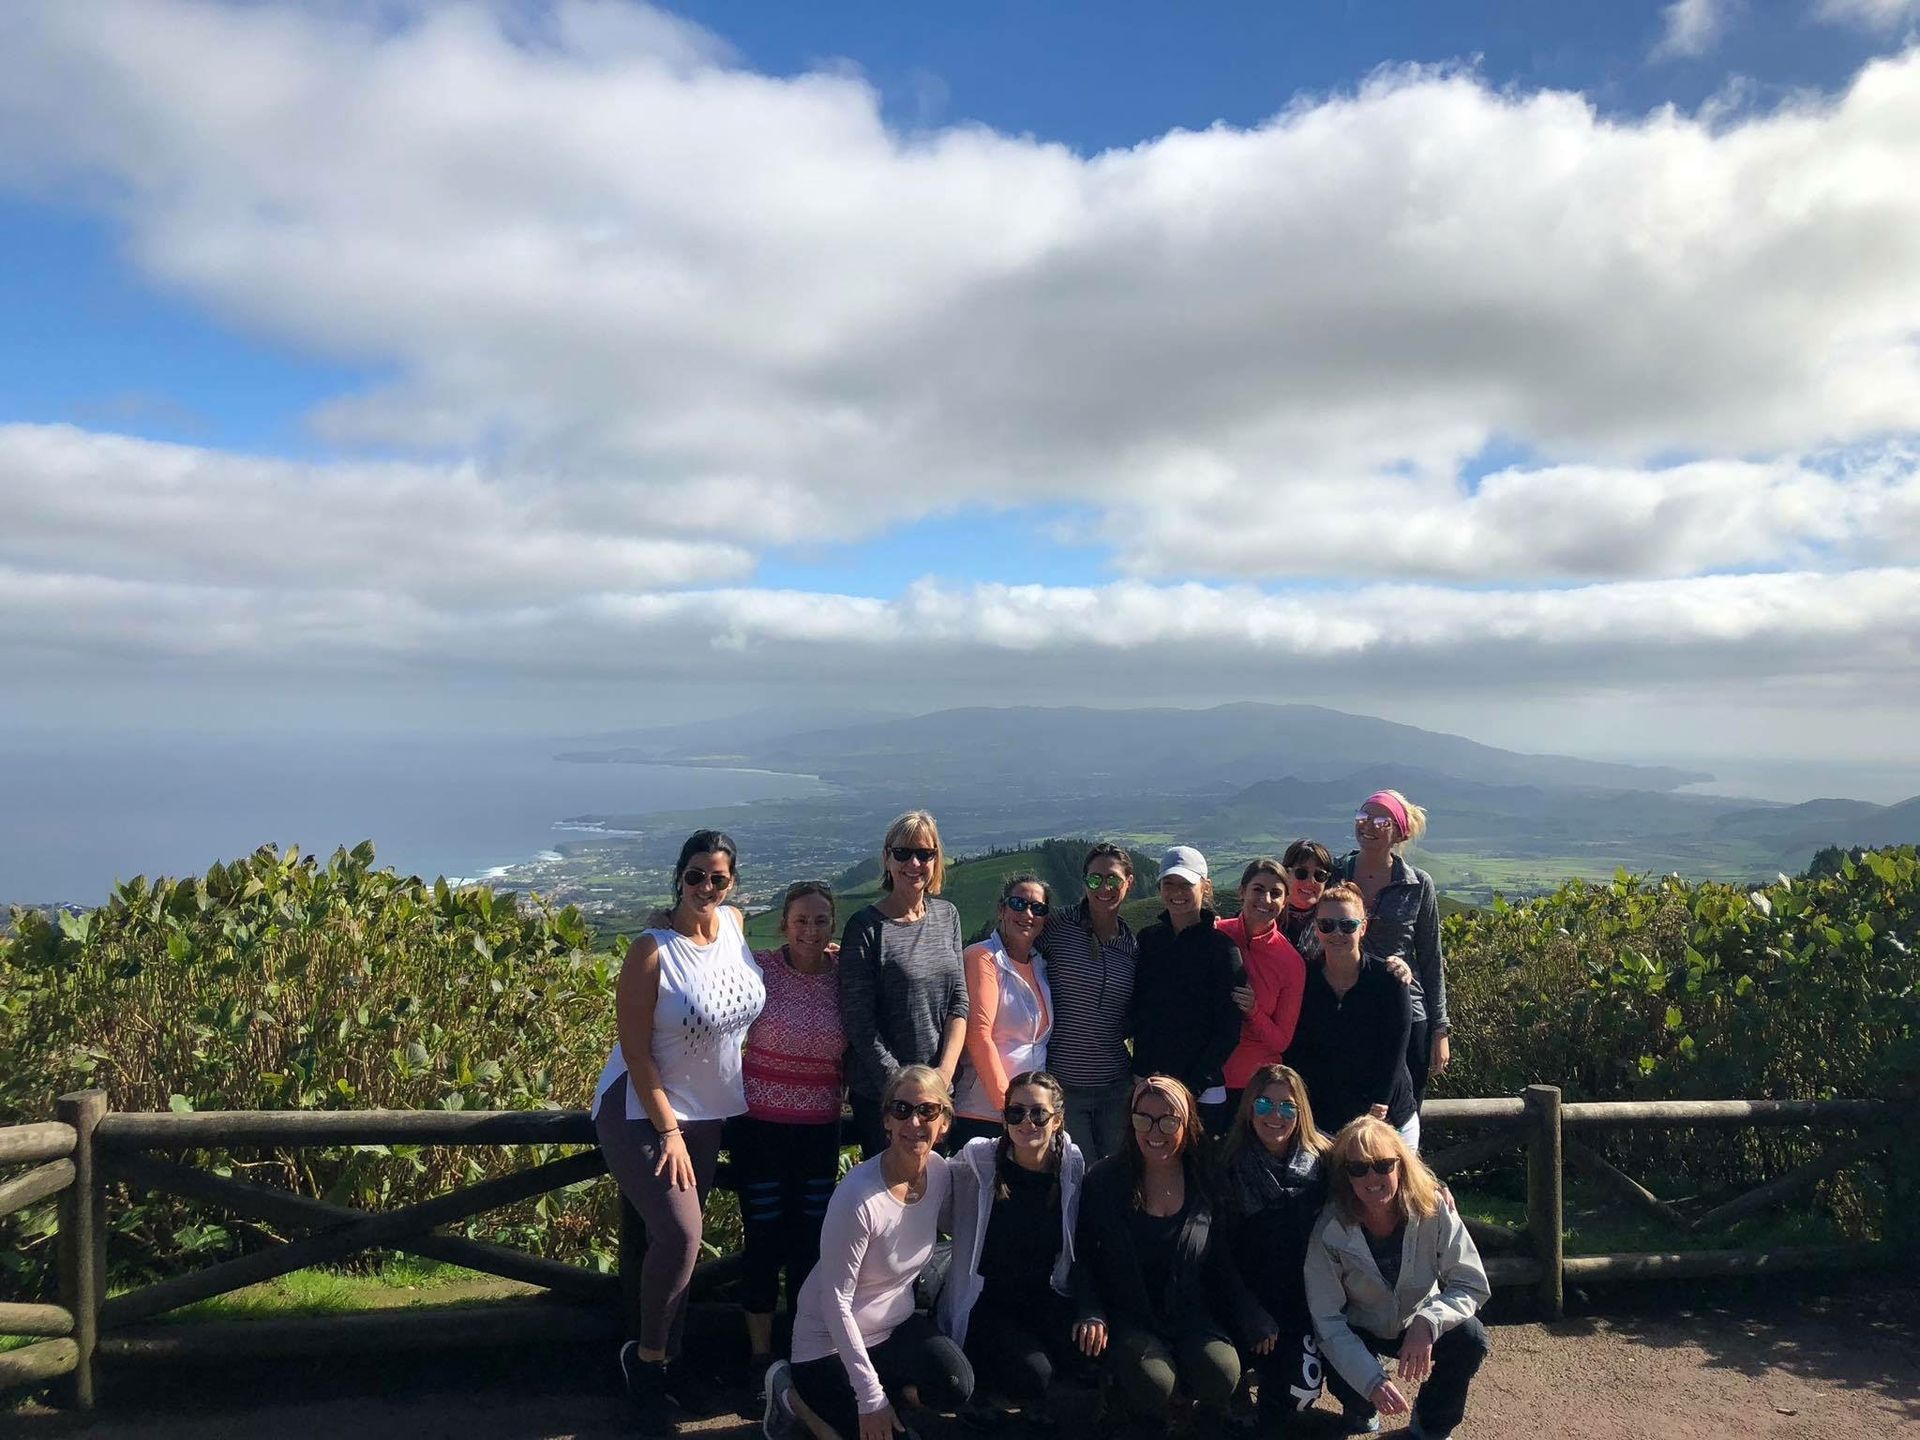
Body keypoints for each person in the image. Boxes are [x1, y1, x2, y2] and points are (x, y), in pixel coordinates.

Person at [594, 829, 767, 1435]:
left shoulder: (737, 926)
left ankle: (672, 1360)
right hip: (643, 1109)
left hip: (711, 1109)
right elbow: (637, 1052)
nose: (707, 887)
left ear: (732, 881)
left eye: (719, 877)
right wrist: (667, 1129)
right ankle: (643, 1364)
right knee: (680, 1234)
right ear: (679, 876)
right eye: (696, 876)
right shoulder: (650, 949)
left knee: (677, 1246)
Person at [772, 1065, 974, 1440]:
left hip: (893, 1329)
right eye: (901, 1110)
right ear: (886, 1121)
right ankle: (791, 1396)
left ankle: (885, 1400)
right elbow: (836, 1301)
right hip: (827, 1344)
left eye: (928, 1110)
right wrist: (869, 1398)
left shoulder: (941, 1173)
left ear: (944, 1122)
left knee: (955, 1385)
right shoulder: (858, 1197)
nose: (914, 1121)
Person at [1071, 1075, 1262, 1434]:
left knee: (1222, 1373)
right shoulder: (1104, 1180)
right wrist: (1091, 1310)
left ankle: (1186, 1397)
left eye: (1168, 1120)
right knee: (1152, 1382)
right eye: (1143, 1118)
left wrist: (1250, 1311)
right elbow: (1085, 1256)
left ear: (1187, 1123)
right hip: (1130, 1317)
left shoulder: (1207, 1178)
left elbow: (1222, 1261)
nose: (1154, 1131)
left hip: (1190, 1314)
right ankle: (1133, 1396)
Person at [1305, 1117, 1490, 1440]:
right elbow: (1328, 1320)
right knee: (1340, 1362)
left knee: (1470, 1337)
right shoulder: (1330, 1230)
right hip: (1360, 1326)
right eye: (1358, 1168)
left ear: (1401, 1166)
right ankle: (1361, 1406)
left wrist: (1429, 1321)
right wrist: (1370, 1380)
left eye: (1382, 1165)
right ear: (1345, 1175)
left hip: (1417, 1317)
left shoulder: (1433, 1208)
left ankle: (1430, 1424)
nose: (1371, 1177)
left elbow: (1470, 1282)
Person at [737, 880, 846, 1376]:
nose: (810, 929)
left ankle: (804, 1351)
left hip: (819, 1132)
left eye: (821, 919)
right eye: (801, 920)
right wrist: (660, 923)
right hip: (759, 1130)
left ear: (833, 924)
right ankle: (759, 1353)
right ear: (783, 923)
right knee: (762, 1240)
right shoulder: (758, 968)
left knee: (810, 1243)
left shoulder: (846, 975)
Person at [938, 1070, 1086, 1429]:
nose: (1027, 1123)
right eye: (1016, 1113)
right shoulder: (978, 1162)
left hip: (1044, 1296)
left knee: (1086, 1363)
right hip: (989, 1303)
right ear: (1004, 1119)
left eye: (1039, 1114)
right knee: (1036, 1376)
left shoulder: (1071, 1166)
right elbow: (936, 1201)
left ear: (1058, 1120)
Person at [839, 810, 970, 1158]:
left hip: (938, 1093)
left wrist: (943, 1075)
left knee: (936, 1193)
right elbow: (859, 1024)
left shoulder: (948, 916)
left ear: (936, 860)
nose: (914, 863)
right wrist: (904, 1093)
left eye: (925, 854)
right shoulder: (865, 927)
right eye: (903, 853)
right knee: (891, 1199)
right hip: (884, 1098)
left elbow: (959, 1002)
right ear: (886, 857)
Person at [1219, 1064, 1331, 1434]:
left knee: (1298, 1394)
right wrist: (1249, 1311)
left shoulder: (1326, 1161)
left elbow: (1388, 1167)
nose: (1275, 1115)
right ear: (1249, 1107)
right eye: (1264, 1104)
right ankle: (1233, 1385)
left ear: (1301, 1113)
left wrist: (1436, 1186)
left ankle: (1357, 1397)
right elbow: (1216, 1254)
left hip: (1305, 1300)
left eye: (1287, 1107)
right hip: (1244, 1299)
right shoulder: (1226, 1165)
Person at [1336, 790, 1450, 1107]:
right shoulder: (1336, 873)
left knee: (1404, 1116)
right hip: (1345, 1008)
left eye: (1380, 820)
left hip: (1407, 1014)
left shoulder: (1418, 884)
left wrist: (1440, 1031)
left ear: (1400, 831)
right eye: (1362, 817)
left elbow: (1430, 958)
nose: (1367, 826)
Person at [1284, 883, 1418, 1148]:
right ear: (1316, 928)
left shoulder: (1388, 980)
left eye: (1347, 925)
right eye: (1326, 925)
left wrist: (1380, 1104)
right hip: (1323, 1124)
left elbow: (1396, 1047)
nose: (1336, 933)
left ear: (1363, 928)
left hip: (1389, 1120)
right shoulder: (1303, 980)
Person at [1129, 846, 1246, 1136]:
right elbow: (1138, 1008)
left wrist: (1192, 1084)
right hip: (1149, 1082)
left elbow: (1229, 1029)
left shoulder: (1223, 949)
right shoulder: (1148, 940)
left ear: (1205, 887)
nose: (1176, 892)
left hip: (1202, 1092)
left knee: (1200, 1173)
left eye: (1186, 884)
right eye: (1169, 884)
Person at [1039, 842, 1139, 1163]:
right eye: (1095, 880)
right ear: (1084, 883)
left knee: (1115, 1173)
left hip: (1115, 1085)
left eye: (1112, 880)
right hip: (1063, 1084)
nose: (1103, 888)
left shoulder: (1132, 949)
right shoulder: (1057, 926)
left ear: (1129, 883)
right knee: (1076, 1175)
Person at [953, 875, 1054, 1147]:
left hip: (1030, 1114)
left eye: (1038, 908)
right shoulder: (982, 958)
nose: (1028, 914)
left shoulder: (1041, 965)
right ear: (1002, 910)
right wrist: (1008, 1107)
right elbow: (978, 1035)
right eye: (1018, 904)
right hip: (985, 1112)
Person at [1219, 859, 1308, 1115]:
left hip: (1256, 1087)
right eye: (1258, 889)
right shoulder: (1216, 934)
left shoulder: (1291, 962)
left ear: (1285, 901)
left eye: (1276, 893)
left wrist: (1253, 1010)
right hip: (1207, 1077)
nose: (1266, 899)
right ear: (1242, 891)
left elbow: (1281, 1041)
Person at [1278, 840, 1334, 950]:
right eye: (1301, 873)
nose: (1310, 882)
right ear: (1286, 873)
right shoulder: (1266, 916)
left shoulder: (1333, 923)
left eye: (1320, 875)